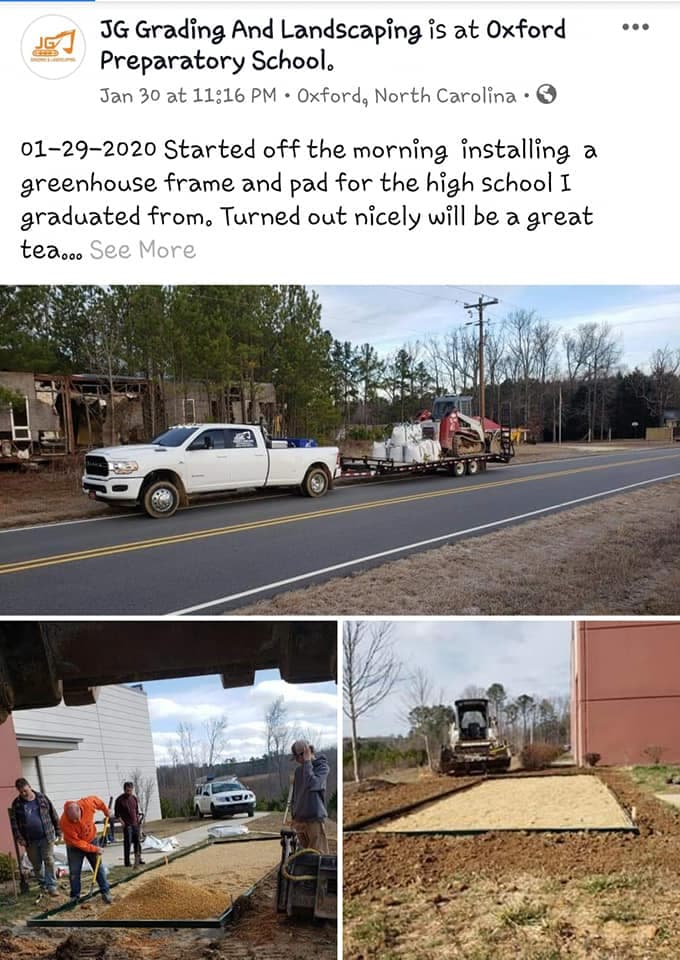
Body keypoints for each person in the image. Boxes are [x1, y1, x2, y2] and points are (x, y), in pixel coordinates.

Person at [9, 778, 61, 899]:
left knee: (49, 860)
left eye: (25, 791)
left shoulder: (42, 798)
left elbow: (53, 814)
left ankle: (52, 886)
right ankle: (43, 884)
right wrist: (19, 838)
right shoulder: (16, 804)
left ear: (30, 787)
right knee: (36, 865)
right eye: (21, 792)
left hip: (46, 836)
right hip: (29, 840)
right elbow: (14, 824)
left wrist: (59, 831)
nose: (23, 794)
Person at [60, 796, 115, 904]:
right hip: (74, 847)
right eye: (73, 820)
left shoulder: (87, 804)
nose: (76, 821)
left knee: (98, 867)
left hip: (91, 839)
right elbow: (78, 843)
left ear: (79, 809)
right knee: (75, 872)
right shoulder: (64, 823)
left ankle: (105, 891)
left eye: (77, 818)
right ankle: (75, 896)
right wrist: (95, 849)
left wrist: (106, 811)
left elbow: (98, 802)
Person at [290, 739, 330, 854]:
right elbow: (296, 796)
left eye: (298, 757)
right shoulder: (298, 771)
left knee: (318, 855)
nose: (297, 761)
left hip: (314, 820)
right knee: (303, 856)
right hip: (299, 820)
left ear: (306, 752)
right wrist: (294, 816)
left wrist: (307, 763)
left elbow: (311, 784)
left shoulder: (322, 768)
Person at [114, 782, 145, 868]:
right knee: (127, 843)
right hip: (127, 825)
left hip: (135, 824)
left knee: (137, 843)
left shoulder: (134, 798)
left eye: (130, 790)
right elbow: (117, 814)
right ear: (124, 790)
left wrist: (138, 819)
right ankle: (127, 862)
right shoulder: (119, 800)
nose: (129, 792)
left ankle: (138, 859)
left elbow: (136, 811)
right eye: (128, 790)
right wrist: (122, 822)